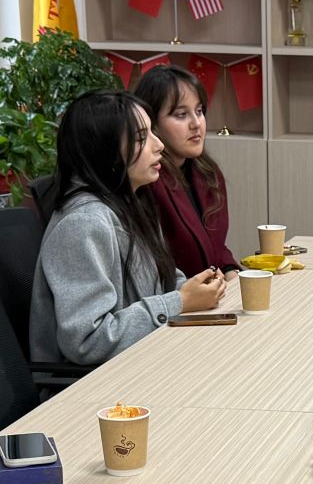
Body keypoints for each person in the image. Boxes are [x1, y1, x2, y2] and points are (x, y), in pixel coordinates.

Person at [33, 90, 228, 368]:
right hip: (98, 384)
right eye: (141, 138)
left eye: (152, 133)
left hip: (142, 360)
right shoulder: (84, 224)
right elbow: (87, 341)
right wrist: (179, 302)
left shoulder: (131, 201)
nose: (159, 145)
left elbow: (160, 283)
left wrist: (194, 289)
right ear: (106, 152)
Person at [133, 64, 235, 277]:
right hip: (177, 294)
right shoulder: (147, 181)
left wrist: (229, 269)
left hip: (212, 289)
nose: (196, 124)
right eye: (181, 115)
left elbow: (214, 248)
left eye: (199, 111)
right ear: (152, 124)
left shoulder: (208, 173)